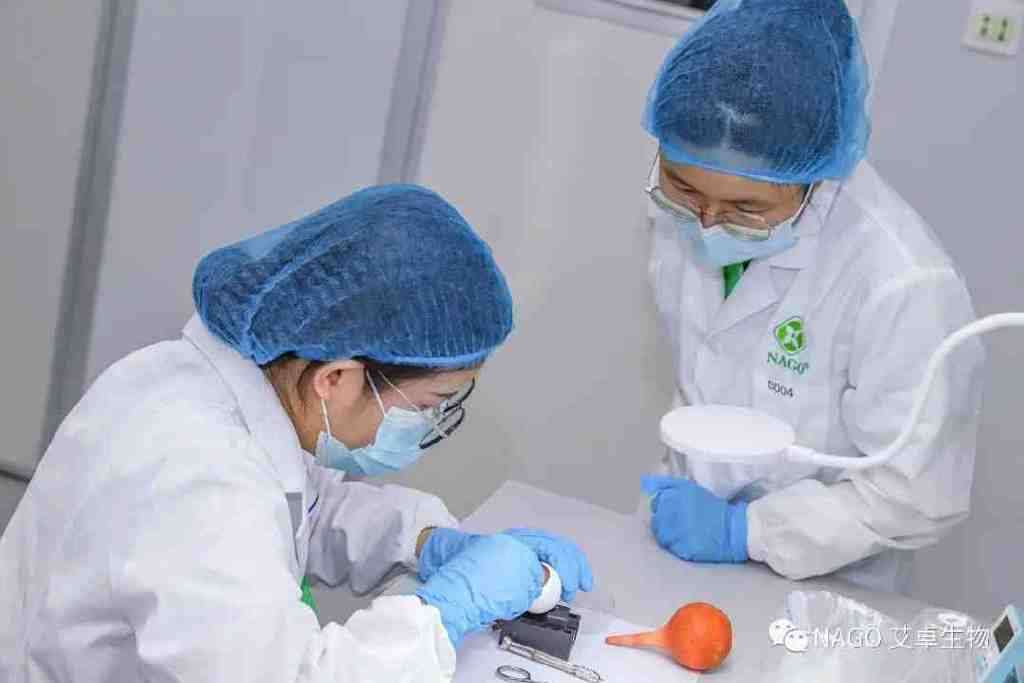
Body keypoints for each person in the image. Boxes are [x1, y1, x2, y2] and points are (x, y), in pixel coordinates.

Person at [0, 184, 592, 682]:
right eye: (428, 405)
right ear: (336, 378)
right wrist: (441, 614)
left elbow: (301, 503)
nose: (431, 425)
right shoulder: (200, 477)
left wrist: (423, 541)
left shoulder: (227, 393)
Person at [639, 0, 984, 592]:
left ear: (816, 177)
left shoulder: (902, 283)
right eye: (683, 186)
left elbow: (919, 491)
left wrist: (745, 531)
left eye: (746, 208)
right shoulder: (685, 210)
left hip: (817, 582)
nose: (708, 222)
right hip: (680, 540)